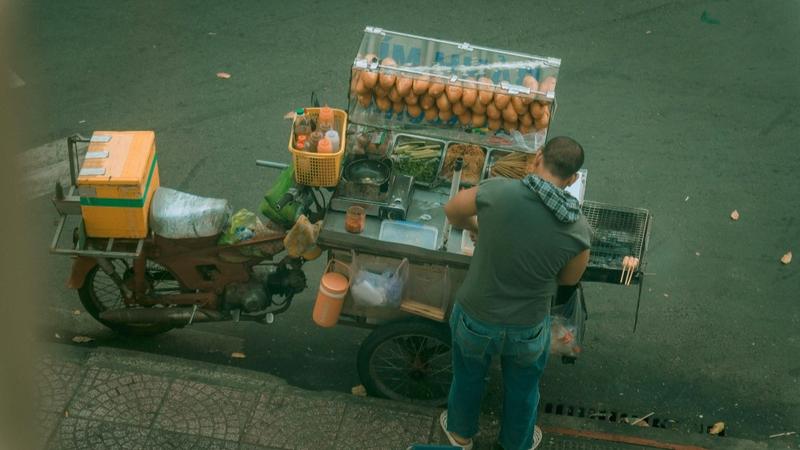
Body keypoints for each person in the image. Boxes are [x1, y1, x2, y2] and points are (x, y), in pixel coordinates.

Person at [440, 136, 592, 450]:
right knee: (523, 391)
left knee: (467, 378)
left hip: (475, 316)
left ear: (537, 158)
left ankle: (460, 437)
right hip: (528, 327)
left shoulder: (497, 191)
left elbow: (452, 211)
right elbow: (568, 280)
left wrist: (482, 229)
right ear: (573, 179)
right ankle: (514, 444)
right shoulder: (578, 230)